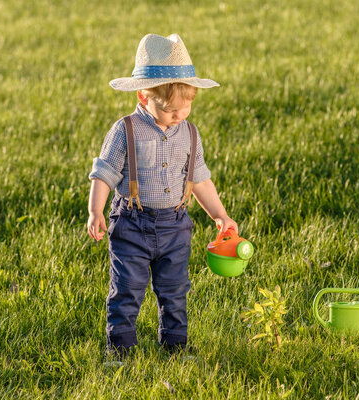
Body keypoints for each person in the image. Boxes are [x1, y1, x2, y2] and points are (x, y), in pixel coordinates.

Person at [86, 33, 237, 357]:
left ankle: (175, 344)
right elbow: (104, 174)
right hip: (132, 224)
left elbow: (200, 180)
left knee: (175, 289)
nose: (179, 116)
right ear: (143, 96)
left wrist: (220, 215)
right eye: (170, 110)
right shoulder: (125, 130)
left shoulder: (189, 133)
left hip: (175, 226)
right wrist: (95, 211)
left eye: (186, 108)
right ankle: (121, 348)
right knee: (127, 289)